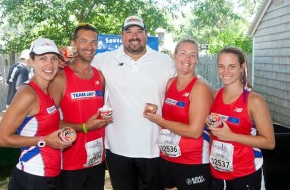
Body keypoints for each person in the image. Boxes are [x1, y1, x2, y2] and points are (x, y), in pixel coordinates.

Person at [91, 15, 176, 190]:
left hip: (154, 148)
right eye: (128, 32)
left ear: (146, 34)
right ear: (122, 36)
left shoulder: (165, 61)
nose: (134, 36)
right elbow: (79, 70)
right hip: (117, 149)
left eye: (139, 31)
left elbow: (185, 87)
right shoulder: (103, 60)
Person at [0, 37, 71, 190]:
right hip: (31, 177)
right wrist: (44, 140)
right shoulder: (28, 94)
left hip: (50, 175)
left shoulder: (47, 91)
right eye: (42, 58)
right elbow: (2, 139)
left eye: (54, 59)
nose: (49, 64)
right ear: (31, 61)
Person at [48, 23, 111, 190]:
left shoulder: (100, 76)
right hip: (69, 163)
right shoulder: (60, 77)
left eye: (94, 42)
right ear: (73, 44)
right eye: (83, 41)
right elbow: (48, 122)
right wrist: (83, 127)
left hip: (97, 161)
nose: (89, 47)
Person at [143, 38, 212, 190]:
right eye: (183, 53)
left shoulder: (200, 87)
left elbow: (194, 132)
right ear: (174, 57)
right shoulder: (170, 83)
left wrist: (161, 121)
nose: (187, 59)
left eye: (193, 55)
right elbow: (172, 114)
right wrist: (155, 110)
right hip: (167, 158)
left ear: (197, 60)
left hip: (192, 162)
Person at [207, 46, 275, 190]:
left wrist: (230, 136)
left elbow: (269, 142)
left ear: (242, 66)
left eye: (231, 66)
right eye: (221, 66)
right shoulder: (214, 95)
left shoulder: (254, 101)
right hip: (217, 173)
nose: (225, 72)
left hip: (245, 174)